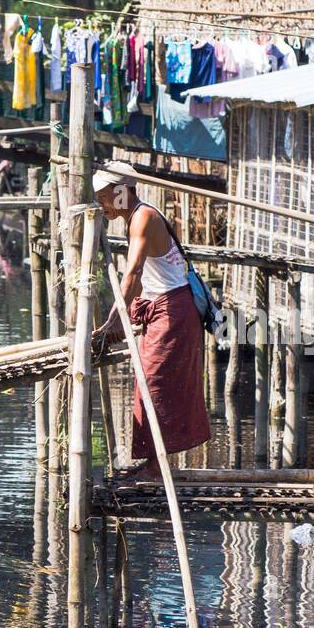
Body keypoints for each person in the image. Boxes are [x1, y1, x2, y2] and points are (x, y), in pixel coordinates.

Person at [91, 164, 210, 481]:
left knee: (154, 384)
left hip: (173, 312)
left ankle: (156, 468)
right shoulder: (136, 218)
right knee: (150, 384)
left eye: (104, 198)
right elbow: (141, 283)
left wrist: (112, 321)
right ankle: (153, 463)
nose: (102, 206)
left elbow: (132, 275)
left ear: (121, 191)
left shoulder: (143, 217)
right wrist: (120, 319)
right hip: (165, 309)